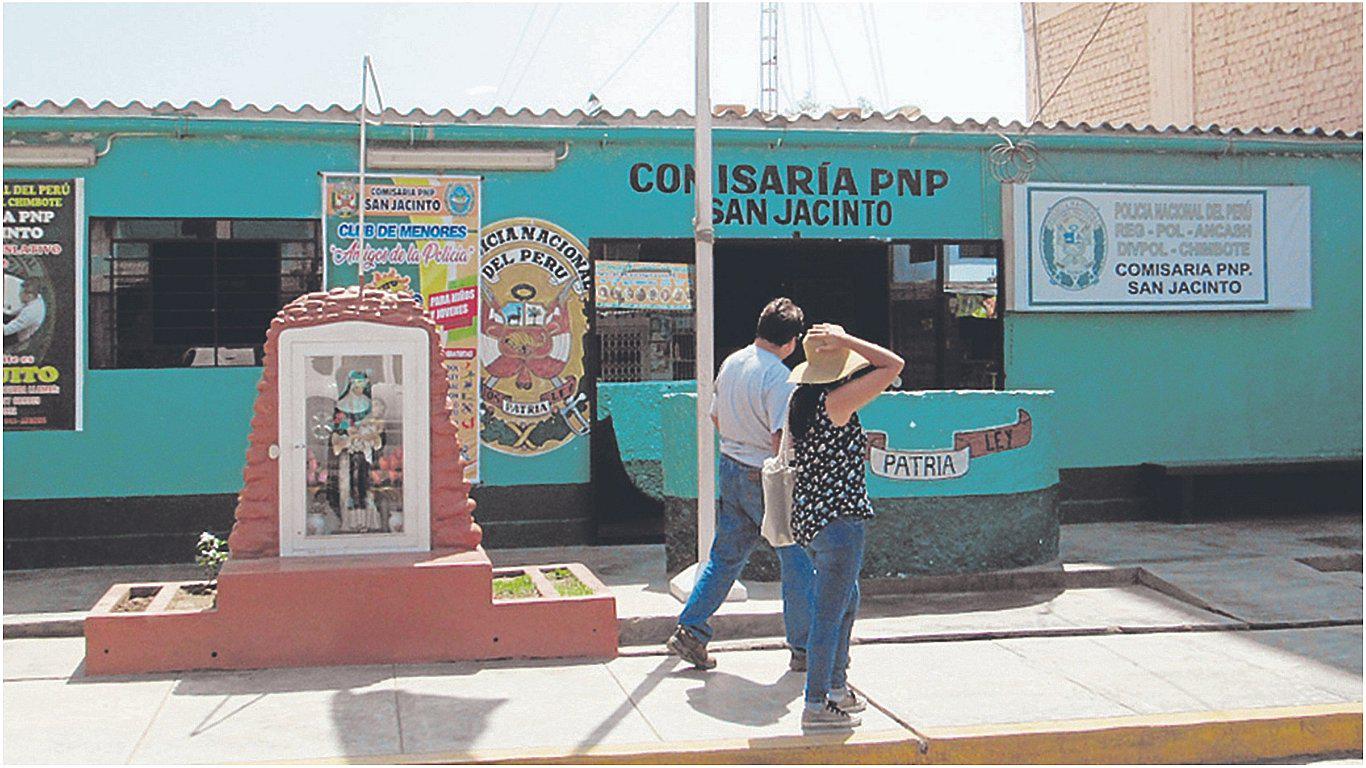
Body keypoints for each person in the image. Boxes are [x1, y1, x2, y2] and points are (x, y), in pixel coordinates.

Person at [667, 297, 815, 672]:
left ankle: (691, 629)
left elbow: (715, 417)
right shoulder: (779, 377)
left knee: (725, 557)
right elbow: (780, 437)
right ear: (792, 341)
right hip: (762, 473)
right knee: (797, 559)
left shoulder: (733, 362)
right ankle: (803, 647)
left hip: (730, 467)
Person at [786, 323, 903, 731]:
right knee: (829, 614)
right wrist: (848, 340)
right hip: (839, 521)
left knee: (846, 600)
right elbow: (893, 365)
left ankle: (835, 687)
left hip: (812, 519)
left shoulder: (802, 400)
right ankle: (816, 701)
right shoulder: (836, 401)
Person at [3, 279, 47, 345]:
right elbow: (13, 314)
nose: (19, 295)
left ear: (29, 296)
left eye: (21, 293)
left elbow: (6, 330)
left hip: (17, 337)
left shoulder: (31, 312)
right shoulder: (36, 299)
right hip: (17, 326)